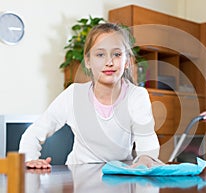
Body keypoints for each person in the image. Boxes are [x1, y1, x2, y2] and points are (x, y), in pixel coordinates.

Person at [19, 22, 162, 169]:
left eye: (117, 54)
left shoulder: (137, 96)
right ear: (88, 61)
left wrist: (146, 159)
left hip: (118, 177)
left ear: (127, 61)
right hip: (77, 177)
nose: (109, 62)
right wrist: (30, 159)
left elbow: (147, 141)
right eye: (100, 54)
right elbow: (34, 133)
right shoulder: (73, 95)